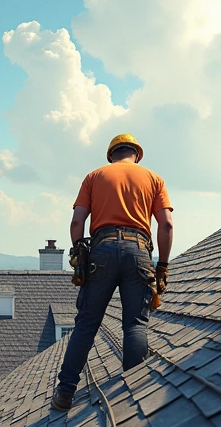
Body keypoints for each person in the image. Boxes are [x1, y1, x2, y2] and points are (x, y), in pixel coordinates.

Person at [51, 133, 174, 411]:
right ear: (136, 155)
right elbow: (166, 225)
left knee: (87, 324)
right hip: (139, 252)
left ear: (111, 155)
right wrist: (162, 266)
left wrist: (79, 253)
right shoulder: (154, 179)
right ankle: (132, 393)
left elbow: (76, 222)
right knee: (134, 324)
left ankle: (65, 393)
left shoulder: (94, 177)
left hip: (102, 251)